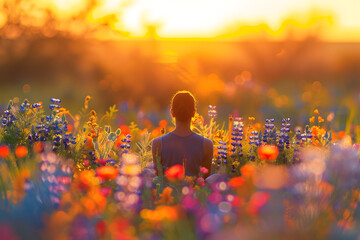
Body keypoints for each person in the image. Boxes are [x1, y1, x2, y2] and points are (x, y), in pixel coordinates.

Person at [152, 91, 213, 179]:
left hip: (168, 192)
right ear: (193, 113)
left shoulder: (158, 143)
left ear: (172, 113)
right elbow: (206, 179)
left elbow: (158, 179)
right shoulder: (207, 144)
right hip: (195, 192)